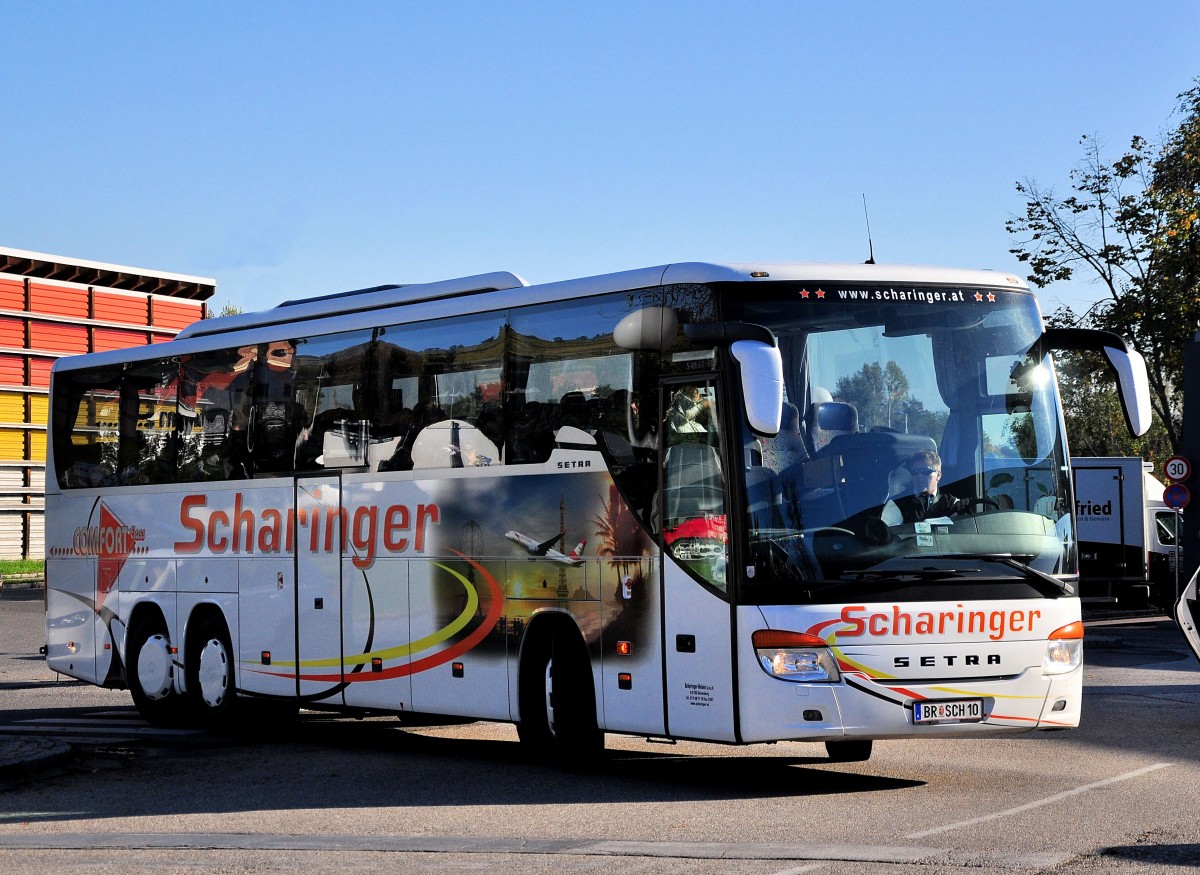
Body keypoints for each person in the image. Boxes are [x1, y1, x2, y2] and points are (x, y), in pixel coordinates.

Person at [889, 450, 969, 523]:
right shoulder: (896, 504)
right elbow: (888, 536)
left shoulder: (952, 503)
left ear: (938, 475)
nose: (919, 475)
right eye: (915, 471)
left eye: (925, 471)